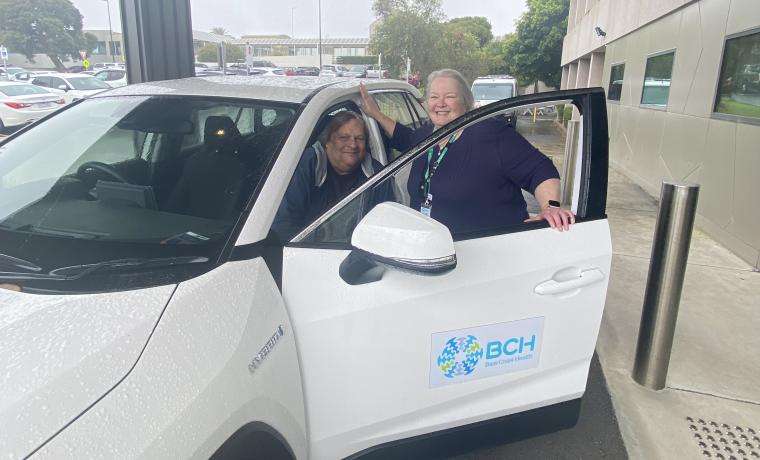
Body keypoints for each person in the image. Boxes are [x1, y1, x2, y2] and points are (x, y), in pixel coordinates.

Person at [360, 69, 575, 234]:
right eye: (434, 97)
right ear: (426, 103)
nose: (440, 104)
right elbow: (404, 137)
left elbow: (540, 169)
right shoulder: (428, 134)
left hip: (487, 254)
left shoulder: (492, 134)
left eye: (449, 96)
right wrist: (376, 114)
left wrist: (551, 207)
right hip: (434, 250)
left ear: (465, 101)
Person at [272, 111, 392, 241]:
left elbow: (387, 227)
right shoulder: (308, 165)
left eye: (359, 138)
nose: (353, 144)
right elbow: (284, 223)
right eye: (343, 137)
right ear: (327, 142)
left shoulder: (377, 174)